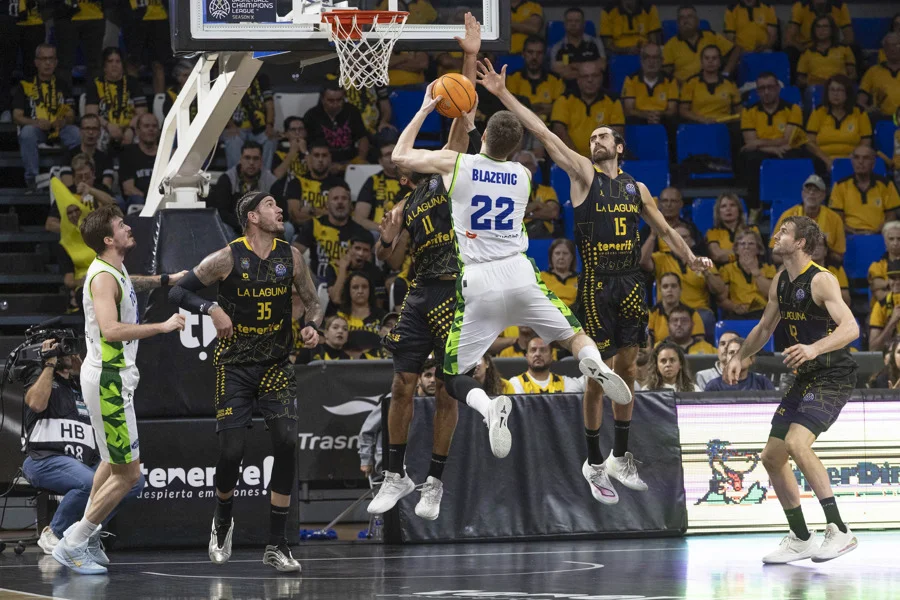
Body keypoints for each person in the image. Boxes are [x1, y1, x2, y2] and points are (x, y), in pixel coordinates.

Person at [476, 58, 713, 504]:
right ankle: (593, 460)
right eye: (592, 138)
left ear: (619, 146)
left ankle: (620, 455)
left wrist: (691, 257)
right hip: (596, 283)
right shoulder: (583, 174)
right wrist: (503, 94)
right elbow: (544, 133)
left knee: (628, 370)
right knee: (595, 376)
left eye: (603, 136)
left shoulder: (637, 189)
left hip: (631, 283)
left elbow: (665, 230)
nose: (595, 141)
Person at [392, 65, 632, 472]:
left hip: (478, 282)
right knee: (574, 335)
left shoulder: (458, 165)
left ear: (483, 136)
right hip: (520, 274)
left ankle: (488, 407)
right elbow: (502, 145)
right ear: (515, 147)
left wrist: (426, 109)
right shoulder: (523, 174)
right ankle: (592, 360)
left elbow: (400, 155)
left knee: (452, 375)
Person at [168, 191, 323, 572]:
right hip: (234, 366)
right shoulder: (227, 257)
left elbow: (313, 301)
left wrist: (311, 326)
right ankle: (223, 519)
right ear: (252, 216)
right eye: (271, 205)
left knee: (286, 443)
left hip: (276, 365)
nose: (280, 209)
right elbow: (177, 290)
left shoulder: (291, 256)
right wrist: (211, 308)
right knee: (232, 452)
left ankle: (277, 544)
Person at [366, 11, 481, 520]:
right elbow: (390, 260)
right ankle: (396, 474)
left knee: (449, 390)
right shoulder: (405, 204)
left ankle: (434, 480)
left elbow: (462, 112)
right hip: (420, 290)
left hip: (456, 289)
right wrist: (387, 239)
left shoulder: (448, 172)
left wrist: (469, 57)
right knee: (402, 385)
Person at [52, 205, 186, 575]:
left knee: (111, 463)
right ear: (109, 239)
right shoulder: (101, 279)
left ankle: (84, 535)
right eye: (121, 225)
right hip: (109, 380)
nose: (128, 227)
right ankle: (74, 541)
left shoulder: (113, 268)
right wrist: (161, 327)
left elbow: (130, 284)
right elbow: (111, 330)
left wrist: (165, 280)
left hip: (111, 378)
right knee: (129, 475)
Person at [724, 215, 860, 563]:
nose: (776, 235)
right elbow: (764, 327)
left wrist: (814, 348)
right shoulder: (781, 280)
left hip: (833, 374)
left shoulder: (822, 280)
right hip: (806, 376)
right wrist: (740, 356)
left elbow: (851, 328)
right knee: (772, 456)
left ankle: (840, 530)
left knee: (797, 443)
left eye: (784, 232)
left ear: (800, 242)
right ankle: (801, 537)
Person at [22, 342, 144, 556]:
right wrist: (49, 364)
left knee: (133, 480)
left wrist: (82, 366)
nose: (68, 352)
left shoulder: (83, 388)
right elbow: (36, 403)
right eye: (62, 349)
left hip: (83, 463)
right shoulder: (44, 380)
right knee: (89, 482)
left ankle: (86, 532)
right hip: (44, 459)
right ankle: (55, 533)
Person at [13, 44, 80, 193]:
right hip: (36, 129)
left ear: (56, 62)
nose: (48, 63)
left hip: (59, 129)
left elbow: (71, 114)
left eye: (51, 59)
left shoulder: (63, 85)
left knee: (76, 134)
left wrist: (63, 121)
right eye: (44, 59)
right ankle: (32, 181)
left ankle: (75, 177)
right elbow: (17, 116)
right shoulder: (25, 85)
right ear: (36, 62)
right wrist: (35, 123)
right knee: (27, 133)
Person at [740, 72, 811, 211]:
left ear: (778, 88)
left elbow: (787, 139)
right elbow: (749, 142)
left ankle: (795, 204)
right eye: (762, 88)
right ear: (757, 91)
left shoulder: (793, 109)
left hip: (785, 150)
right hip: (763, 152)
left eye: (770, 87)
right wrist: (772, 149)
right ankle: (755, 208)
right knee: (751, 159)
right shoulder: (748, 111)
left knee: (796, 156)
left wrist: (758, 143)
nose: (766, 92)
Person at [551, 61, 625, 157]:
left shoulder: (613, 101)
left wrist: (597, 158)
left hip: (604, 158)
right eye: (585, 76)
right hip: (570, 158)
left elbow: (616, 134)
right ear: (578, 80)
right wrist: (578, 159)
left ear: (601, 78)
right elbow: (559, 131)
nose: (590, 80)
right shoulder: (564, 100)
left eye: (595, 76)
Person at [770, 174, 845, 265]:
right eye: (808, 189)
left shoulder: (834, 219)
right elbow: (775, 254)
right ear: (802, 193)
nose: (811, 193)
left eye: (816, 190)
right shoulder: (788, 216)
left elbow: (839, 256)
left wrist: (823, 251)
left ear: (823, 195)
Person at [805, 75, 872, 175]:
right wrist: (827, 160)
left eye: (840, 90)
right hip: (822, 162)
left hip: (852, 161)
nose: (835, 94)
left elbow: (866, 143)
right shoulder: (818, 112)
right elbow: (809, 142)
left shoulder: (860, 113)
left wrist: (850, 159)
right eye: (832, 90)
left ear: (847, 93)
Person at [830, 144, 900, 235]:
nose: (860, 162)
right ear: (852, 162)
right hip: (849, 236)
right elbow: (837, 218)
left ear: (873, 163)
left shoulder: (886, 185)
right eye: (856, 158)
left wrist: (876, 232)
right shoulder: (840, 186)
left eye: (866, 158)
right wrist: (853, 232)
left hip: (879, 235)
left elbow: (891, 217)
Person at [84, 47, 147, 148]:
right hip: (104, 126)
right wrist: (109, 126)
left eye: (118, 61)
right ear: (104, 66)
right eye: (110, 61)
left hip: (130, 126)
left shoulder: (133, 83)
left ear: (122, 65)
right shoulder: (95, 84)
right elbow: (91, 115)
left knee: (144, 133)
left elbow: (141, 113)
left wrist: (130, 129)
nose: (114, 65)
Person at [663, 5, 738, 84]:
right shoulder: (670, 45)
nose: (686, 20)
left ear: (697, 21)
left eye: (689, 17)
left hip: (714, 84)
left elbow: (736, 50)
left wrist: (726, 72)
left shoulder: (711, 36)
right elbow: (665, 73)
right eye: (682, 18)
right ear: (678, 23)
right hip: (685, 87)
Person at [220, 74, 277, 170]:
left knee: (270, 139)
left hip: (259, 128)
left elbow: (269, 105)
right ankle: (237, 175)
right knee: (233, 139)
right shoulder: (228, 77)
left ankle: (264, 175)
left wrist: (269, 125)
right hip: (235, 127)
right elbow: (221, 107)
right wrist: (231, 125)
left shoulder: (261, 79)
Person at [717, 228, 777, 319]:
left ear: (758, 249)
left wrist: (755, 272)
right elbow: (722, 299)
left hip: (763, 313)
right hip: (738, 314)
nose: (746, 247)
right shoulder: (727, 269)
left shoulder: (769, 268)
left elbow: (772, 295)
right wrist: (734, 307)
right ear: (736, 249)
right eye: (742, 244)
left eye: (751, 244)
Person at [506, 36, 566, 125]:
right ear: (523, 54)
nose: (534, 57)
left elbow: (559, 109)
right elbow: (511, 108)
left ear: (544, 55)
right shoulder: (513, 78)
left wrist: (527, 108)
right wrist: (543, 107)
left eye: (539, 53)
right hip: (520, 127)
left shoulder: (556, 80)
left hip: (548, 128)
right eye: (530, 52)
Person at [678, 45, 740, 125]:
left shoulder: (730, 83)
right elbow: (683, 110)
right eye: (706, 58)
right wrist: (701, 119)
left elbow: (740, 112)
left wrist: (727, 120)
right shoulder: (691, 82)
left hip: (724, 126)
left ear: (720, 62)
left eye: (714, 58)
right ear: (701, 62)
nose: (710, 61)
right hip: (698, 125)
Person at [550, 7, 606, 93]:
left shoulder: (595, 42)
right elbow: (560, 72)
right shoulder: (557, 47)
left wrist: (571, 66)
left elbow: (602, 66)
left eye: (577, 21)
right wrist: (589, 70)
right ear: (564, 24)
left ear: (583, 24)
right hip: (566, 91)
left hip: (594, 90)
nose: (573, 24)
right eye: (570, 21)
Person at [621, 43, 678, 126]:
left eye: (655, 57)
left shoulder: (670, 80)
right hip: (638, 121)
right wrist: (646, 115)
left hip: (663, 121)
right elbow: (628, 110)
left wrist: (659, 115)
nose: (651, 61)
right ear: (641, 60)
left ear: (662, 60)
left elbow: (672, 110)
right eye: (647, 57)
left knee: (672, 120)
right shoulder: (631, 80)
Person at [796, 16, 856, 89]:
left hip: (839, 88)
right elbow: (800, 79)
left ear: (832, 29)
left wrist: (838, 83)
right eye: (818, 27)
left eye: (825, 26)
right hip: (816, 89)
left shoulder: (845, 49)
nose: (821, 30)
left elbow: (853, 75)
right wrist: (816, 82)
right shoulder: (806, 52)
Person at [510, 337, 586, 394]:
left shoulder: (565, 383)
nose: (537, 354)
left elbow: (589, 379)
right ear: (526, 356)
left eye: (543, 350)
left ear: (551, 356)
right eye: (533, 350)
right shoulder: (515, 383)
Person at [647, 272, 706, 345]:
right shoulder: (651, 314)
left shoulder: (692, 314)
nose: (669, 290)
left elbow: (699, 345)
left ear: (680, 290)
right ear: (660, 291)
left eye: (674, 286)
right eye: (665, 286)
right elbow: (648, 346)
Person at [118, 113, 161, 215]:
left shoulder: (166, 153)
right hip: (139, 200)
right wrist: (150, 200)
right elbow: (128, 189)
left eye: (154, 126)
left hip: (162, 198)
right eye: (146, 126)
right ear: (137, 131)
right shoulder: (128, 153)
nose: (151, 129)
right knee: (137, 199)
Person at [516, 150, 561, 237]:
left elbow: (553, 212)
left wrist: (527, 214)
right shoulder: (508, 191)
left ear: (535, 168)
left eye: (528, 164)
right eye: (519, 165)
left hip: (540, 234)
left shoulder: (547, 191)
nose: (523, 167)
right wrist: (536, 205)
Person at [705, 193, 759, 265]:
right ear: (718, 212)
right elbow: (717, 255)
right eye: (723, 206)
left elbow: (757, 251)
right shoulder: (712, 232)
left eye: (732, 205)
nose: (728, 209)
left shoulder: (752, 229)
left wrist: (727, 254)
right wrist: (743, 252)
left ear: (739, 210)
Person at [705, 337, 775, 391]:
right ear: (726, 359)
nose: (735, 357)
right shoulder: (714, 386)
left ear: (751, 359)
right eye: (731, 352)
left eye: (741, 353)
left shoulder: (763, 383)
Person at [859, 33, 900, 120]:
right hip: (881, 118)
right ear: (884, 50)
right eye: (889, 46)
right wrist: (868, 110)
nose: (892, 49)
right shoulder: (873, 71)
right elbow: (860, 100)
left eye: (896, 45)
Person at [868, 259, 900, 351]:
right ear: (888, 280)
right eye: (893, 278)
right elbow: (873, 349)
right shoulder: (880, 305)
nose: (897, 282)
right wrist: (892, 322)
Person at [868, 221, 900, 304]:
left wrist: (888, 284)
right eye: (891, 239)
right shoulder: (877, 266)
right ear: (885, 242)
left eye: (899, 239)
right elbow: (877, 287)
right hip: (884, 309)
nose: (895, 243)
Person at [541, 239, 579, 307]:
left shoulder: (580, 279)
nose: (561, 257)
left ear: (572, 257)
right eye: (557, 253)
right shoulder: (541, 277)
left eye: (565, 253)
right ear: (551, 256)